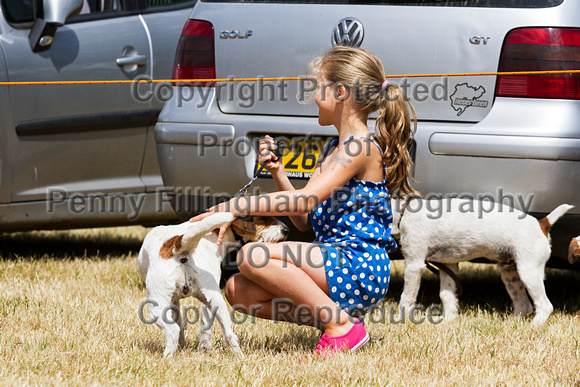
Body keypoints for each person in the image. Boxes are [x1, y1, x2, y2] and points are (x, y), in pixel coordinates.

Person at [190, 46, 418, 355]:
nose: (313, 97)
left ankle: (340, 328)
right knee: (237, 290)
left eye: (317, 88)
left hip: (358, 265)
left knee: (252, 257)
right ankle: (338, 319)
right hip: (332, 262)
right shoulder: (331, 151)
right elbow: (303, 218)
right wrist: (279, 172)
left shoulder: (360, 148)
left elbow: (303, 200)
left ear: (340, 92)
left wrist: (234, 206)